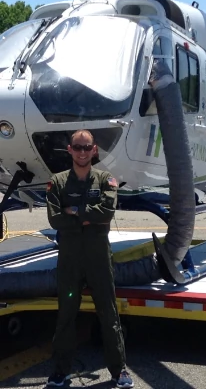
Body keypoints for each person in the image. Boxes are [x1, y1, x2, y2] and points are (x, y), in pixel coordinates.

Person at [46, 129, 134, 388]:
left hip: (98, 258)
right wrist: (87, 218)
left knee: (108, 313)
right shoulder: (58, 181)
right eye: (77, 147)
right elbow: (55, 219)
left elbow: (106, 213)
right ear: (70, 149)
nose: (82, 152)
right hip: (70, 260)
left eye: (87, 147)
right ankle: (60, 372)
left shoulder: (106, 179)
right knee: (66, 316)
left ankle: (119, 371)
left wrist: (74, 211)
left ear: (94, 150)